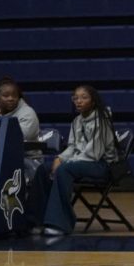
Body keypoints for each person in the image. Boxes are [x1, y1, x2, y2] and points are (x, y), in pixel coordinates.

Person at [39, 84, 120, 236]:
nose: (79, 101)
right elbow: (72, 147)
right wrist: (60, 158)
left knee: (65, 169)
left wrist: (67, 163)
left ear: (93, 101)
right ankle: (35, 220)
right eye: (75, 98)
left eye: (84, 97)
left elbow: (93, 154)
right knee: (44, 169)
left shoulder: (102, 120)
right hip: (82, 163)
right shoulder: (76, 121)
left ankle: (59, 224)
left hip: (102, 165)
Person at [0, 76, 42, 181]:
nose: (10, 98)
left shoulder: (28, 114)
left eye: (14, 95)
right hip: (2, 159)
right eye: (6, 96)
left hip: (28, 161)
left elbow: (15, 138)